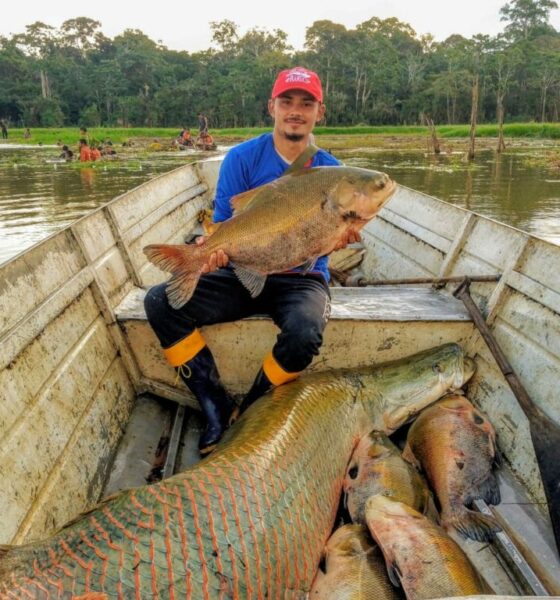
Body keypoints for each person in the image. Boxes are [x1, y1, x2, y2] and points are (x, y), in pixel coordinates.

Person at [144, 67, 359, 456]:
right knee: (159, 303)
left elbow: (324, 247)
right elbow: (226, 226)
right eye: (287, 102)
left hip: (301, 277)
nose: (296, 111)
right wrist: (212, 254)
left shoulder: (333, 171)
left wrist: (336, 240)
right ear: (271, 107)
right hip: (242, 270)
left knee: (305, 332)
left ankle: (255, 406)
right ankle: (215, 405)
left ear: (319, 112)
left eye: (306, 104)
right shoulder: (242, 158)